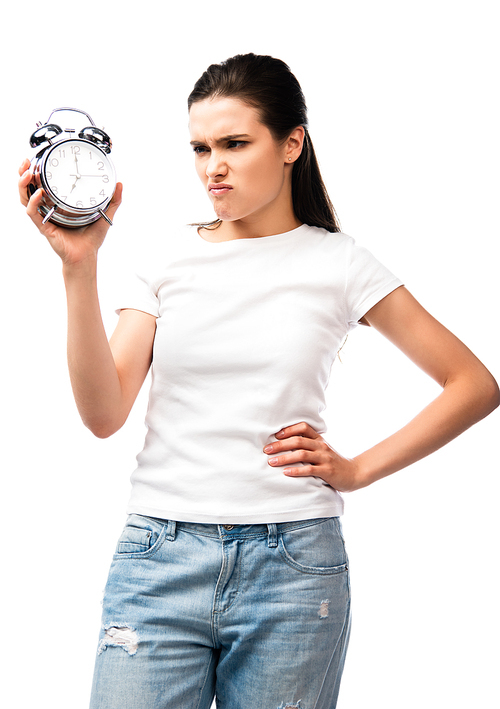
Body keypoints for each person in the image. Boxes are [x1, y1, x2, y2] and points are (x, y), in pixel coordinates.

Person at [18, 53, 499, 709]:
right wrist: (79, 266)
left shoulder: (340, 262)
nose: (212, 166)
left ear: (290, 143)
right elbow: (104, 413)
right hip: (160, 555)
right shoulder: (167, 258)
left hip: (294, 566)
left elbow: (472, 382)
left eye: (235, 144)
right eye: (200, 147)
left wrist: (356, 469)